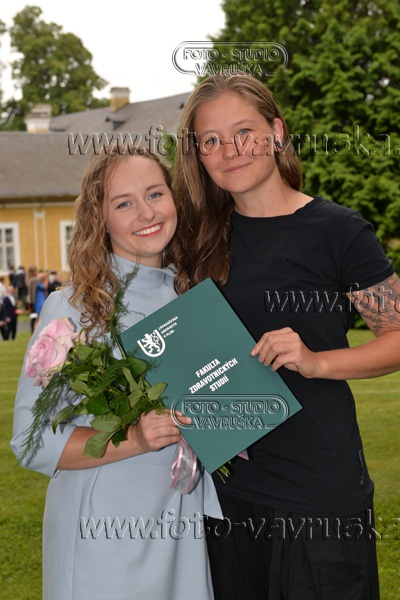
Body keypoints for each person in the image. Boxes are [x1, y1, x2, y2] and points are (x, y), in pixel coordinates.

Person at [172, 74, 400, 600]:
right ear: (199, 157)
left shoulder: (338, 231)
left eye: (243, 131)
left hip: (319, 491)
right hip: (227, 494)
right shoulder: (197, 241)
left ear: (276, 132)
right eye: (211, 141)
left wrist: (318, 361)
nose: (230, 151)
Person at [11, 144, 221, 600]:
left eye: (155, 194)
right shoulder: (73, 310)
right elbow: (31, 439)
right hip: (105, 528)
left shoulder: (191, 296)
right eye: (124, 203)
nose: (147, 213)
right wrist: (136, 438)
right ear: (100, 219)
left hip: (180, 517)